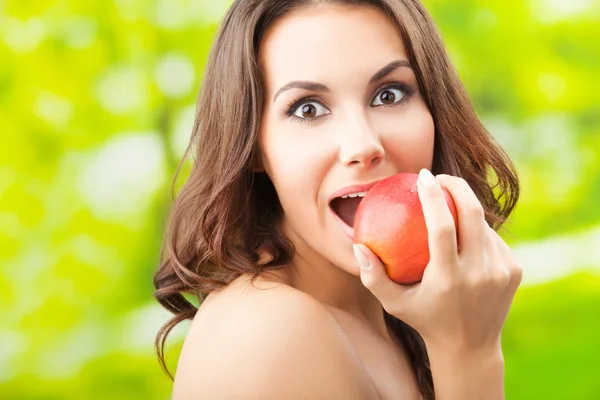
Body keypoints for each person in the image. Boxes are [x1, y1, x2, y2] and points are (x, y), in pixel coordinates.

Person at [153, 0, 522, 399]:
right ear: (254, 147)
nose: (364, 144)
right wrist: (469, 354)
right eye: (308, 108)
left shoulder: (390, 314)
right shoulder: (266, 335)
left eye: (389, 94)